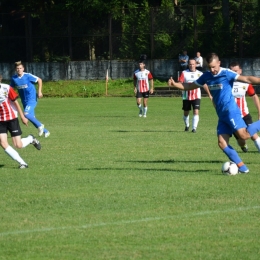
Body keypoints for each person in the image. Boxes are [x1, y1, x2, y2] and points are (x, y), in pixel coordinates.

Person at [168, 52, 260, 173]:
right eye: (209, 67)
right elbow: (189, 86)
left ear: (219, 63)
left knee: (244, 136)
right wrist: (175, 84)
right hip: (221, 115)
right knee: (222, 143)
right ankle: (243, 168)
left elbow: (247, 79)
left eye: (214, 67)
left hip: (231, 111)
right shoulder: (206, 76)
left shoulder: (226, 73)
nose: (212, 70)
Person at [0, 79, 41, 169]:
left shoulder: (6, 88)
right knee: (3, 143)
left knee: (18, 145)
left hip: (11, 119)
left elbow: (16, 103)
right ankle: (22, 163)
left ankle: (31, 139)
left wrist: (22, 116)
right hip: (0, 121)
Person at [10, 61, 50, 138]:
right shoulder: (14, 78)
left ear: (23, 68)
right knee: (31, 117)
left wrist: (39, 91)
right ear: (16, 69)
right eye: (17, 68)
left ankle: (40, 125)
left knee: (26, 114)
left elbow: (39, 80)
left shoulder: (27, 76)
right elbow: (10, 89)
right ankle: (46, 131)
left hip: (32, 99)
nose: (19, 69)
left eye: (20, 68)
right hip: (24, 101)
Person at [229, 61, 260, 152]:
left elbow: (254, 96)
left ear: (240, 71)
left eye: (236, 70)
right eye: (232, 71)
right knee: (242, 140)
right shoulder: (226, 83)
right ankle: (243, 146)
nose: (234, 73)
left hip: (244, 114)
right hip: (232, 116)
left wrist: (259, 111)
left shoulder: (245, 83)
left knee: (253, 134)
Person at [178, 58, 212, 133]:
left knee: (196, 111)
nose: (191, 65)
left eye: (193, 64)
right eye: (190, 64)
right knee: (186, 112)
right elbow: (180, 83)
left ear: (196, 65)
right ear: (188, 65)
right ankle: (187, 125)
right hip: (186, 95)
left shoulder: (200, 74)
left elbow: (204, 85)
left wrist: (209, 94)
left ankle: (194, 128)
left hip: (196, 95)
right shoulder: (184, 73)